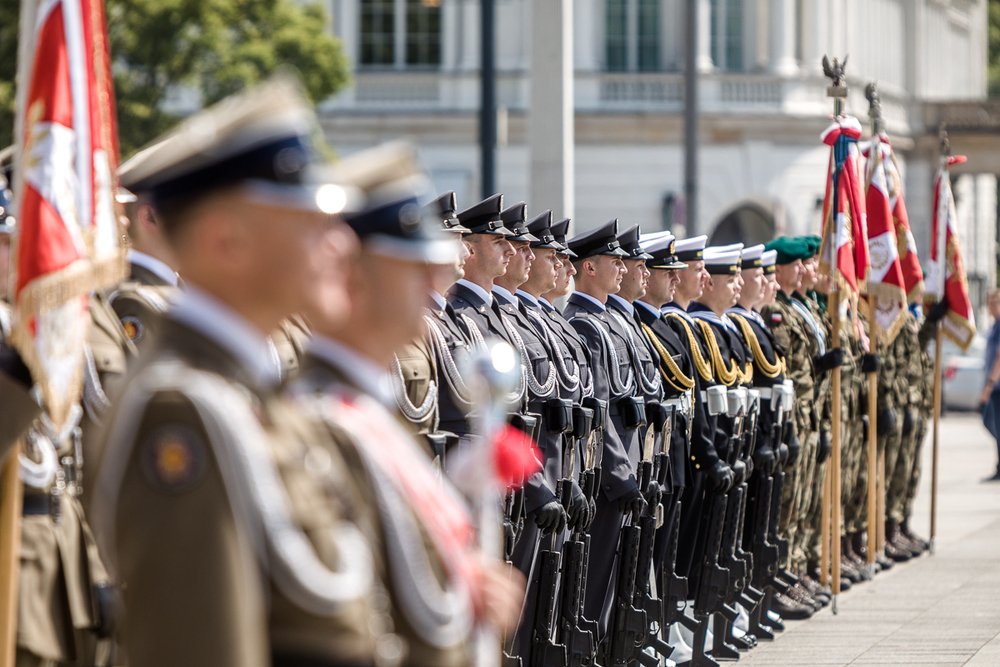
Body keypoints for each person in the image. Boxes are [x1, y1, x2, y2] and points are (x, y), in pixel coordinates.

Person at [89, 75, 391, 667]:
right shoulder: (182, 410)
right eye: (312, 223)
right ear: (226, 241)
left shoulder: (254, 392)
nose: (341, 246)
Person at [286, 142, 525, 667]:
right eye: (414, 266)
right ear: (351, 274)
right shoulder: (310, 422)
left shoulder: (365, 411)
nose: (435, 284)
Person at [982, 290, 1000, 481]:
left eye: (995, 303)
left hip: (997, 387)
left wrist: (989, 384)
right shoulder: (995, 325)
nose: (991, 307)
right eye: (990, 303)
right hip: (995, 386)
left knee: (993, 424)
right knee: (989, 422)